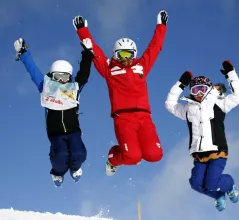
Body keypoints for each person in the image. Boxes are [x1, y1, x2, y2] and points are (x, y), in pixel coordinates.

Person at [72, 10, 169, 176]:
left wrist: (161, 26)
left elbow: (155, 48)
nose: (126, 58)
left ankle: (132, 151)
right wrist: (83, 31)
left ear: (134, 54)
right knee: (133, 157)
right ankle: (112, 158)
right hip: (123, 118)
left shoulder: (141, 66)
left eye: (129, 54)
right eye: (121, 54)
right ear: (115, 54)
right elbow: (95, 52)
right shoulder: (109, 69)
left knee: (155, 155)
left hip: (144, 117)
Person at [14, 37, 94, 187]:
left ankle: (75, 169)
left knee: (79, 153)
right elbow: (34, 71)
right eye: (58, 77)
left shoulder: (74, 89)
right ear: (52, 76)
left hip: (73, 131)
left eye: (65, 77)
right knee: (60, 155)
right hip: (55, 133)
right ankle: (57, 173)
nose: (61, 81)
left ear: (69, 78)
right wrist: (23, 53)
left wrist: (87, 53)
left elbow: (84, 74)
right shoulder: (46, 87)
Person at [165, 60, 239, 211]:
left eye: (202, 89)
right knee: (195, 184)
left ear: (208, 90)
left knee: (212, 182)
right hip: (199, 156)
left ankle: (229, 185)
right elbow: (170, 104)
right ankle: (218, 196)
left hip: (217, 151)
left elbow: (238, 95)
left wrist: (231, 73)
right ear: (191, 93)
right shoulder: (188, 109)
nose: (199, 94)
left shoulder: (219, 104)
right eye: (195, 90)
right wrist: (180, 84)